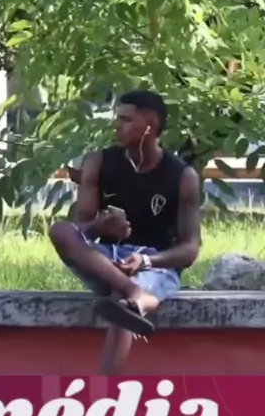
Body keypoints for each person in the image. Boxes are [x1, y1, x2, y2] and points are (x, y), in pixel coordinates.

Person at [49, 90, 201, 374]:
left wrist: (145, 261)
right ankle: (134, 291)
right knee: (60, 230)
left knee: (122, 307)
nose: (117, 126)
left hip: (155, 264)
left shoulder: (182, 176)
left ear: (150, 125)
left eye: (126, 120)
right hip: (106, 260)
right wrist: (99, 226)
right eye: (117, 119)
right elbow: (79, 229)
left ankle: (106, 385)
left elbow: (190, 249)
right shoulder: (99, 163)